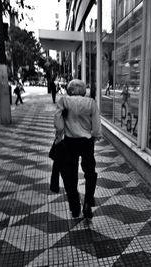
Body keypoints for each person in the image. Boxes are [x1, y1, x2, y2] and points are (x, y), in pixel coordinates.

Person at [54, 79, 102, 219]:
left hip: (70, 142)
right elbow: (96, 123)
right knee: (90, 172)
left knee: (70, 175)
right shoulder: (91, 102)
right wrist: (95, 136)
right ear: (83, 90)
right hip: (86, 142)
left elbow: (58, 122)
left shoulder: (64, 101)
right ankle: (87, 202)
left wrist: (59, 135)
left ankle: (75, 207)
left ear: (70, 90)